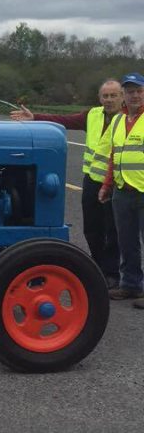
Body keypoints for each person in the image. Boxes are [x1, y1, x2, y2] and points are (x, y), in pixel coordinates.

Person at [10, 79, 123, 288]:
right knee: (92, 226)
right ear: (100, 98)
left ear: (121, 97)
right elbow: (65, 120)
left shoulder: (127, 119)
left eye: (113, 95)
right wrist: (35, 117)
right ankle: (97, 265)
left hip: (117, 182)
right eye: (105, 96)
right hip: (92, 180)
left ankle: (112, 273)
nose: (109, 100)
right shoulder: (93, 115)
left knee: (112, 230)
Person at [98, 73, 144, 306]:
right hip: (122, 189)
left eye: (139, 91)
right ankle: (131, 285)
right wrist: (107, 185)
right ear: (124, 95)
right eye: (130, 91)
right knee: (127, 242)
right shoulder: (118, 120)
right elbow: (114, 156)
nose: (134, 95)